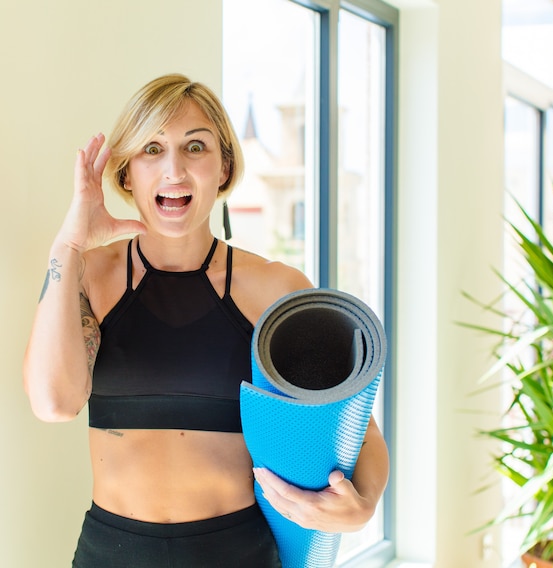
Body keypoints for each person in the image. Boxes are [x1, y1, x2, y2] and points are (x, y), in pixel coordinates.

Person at [23, 74, 389, 567]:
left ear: (223, 168)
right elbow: (53, 402)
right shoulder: (89, 275)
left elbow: (357, 428)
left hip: (236, 552)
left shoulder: (275, 290)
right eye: (152, 148)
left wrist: (361, 507)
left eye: (195, 146)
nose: (173, 169)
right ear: (127, 172)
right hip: (112, 554)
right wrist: (68, 245)